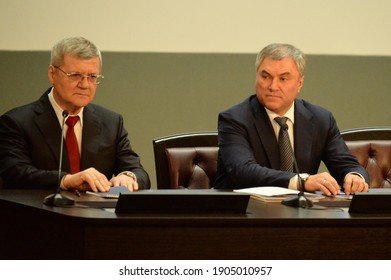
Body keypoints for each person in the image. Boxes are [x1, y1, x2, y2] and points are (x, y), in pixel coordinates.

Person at [214, 43, 369, 196]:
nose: (273, 86)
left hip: (301, 215)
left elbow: (347, 164)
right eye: (266, 76)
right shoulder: (235, 119)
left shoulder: (320, 119)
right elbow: (242, 171)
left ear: (299, 83)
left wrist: (354, 176)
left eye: (283, 79)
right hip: (246, 214)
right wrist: (301, 181)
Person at [0, 37, 150, 192]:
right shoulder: (16, 122)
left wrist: (128, 176)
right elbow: (14, 173)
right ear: (52, 74)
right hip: (40, 213)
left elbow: (139, 172)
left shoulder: (111, 122)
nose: (85, 85)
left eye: (92, 77)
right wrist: (66, 180)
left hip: (95, 215)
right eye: (75, 75)